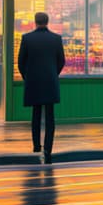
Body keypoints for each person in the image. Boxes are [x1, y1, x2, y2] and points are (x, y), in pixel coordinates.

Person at [18, 12, 65, 164]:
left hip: (34, 82)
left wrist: (29, 77)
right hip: (50, 82)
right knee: (50, 117)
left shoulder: (27, 38)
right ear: (48, 22)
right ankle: (48, 149)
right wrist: (53, 74)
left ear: (35, 22)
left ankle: (36, 146)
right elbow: (61, 61)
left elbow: (20, 62)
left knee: (36, 115)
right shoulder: (56, 39)